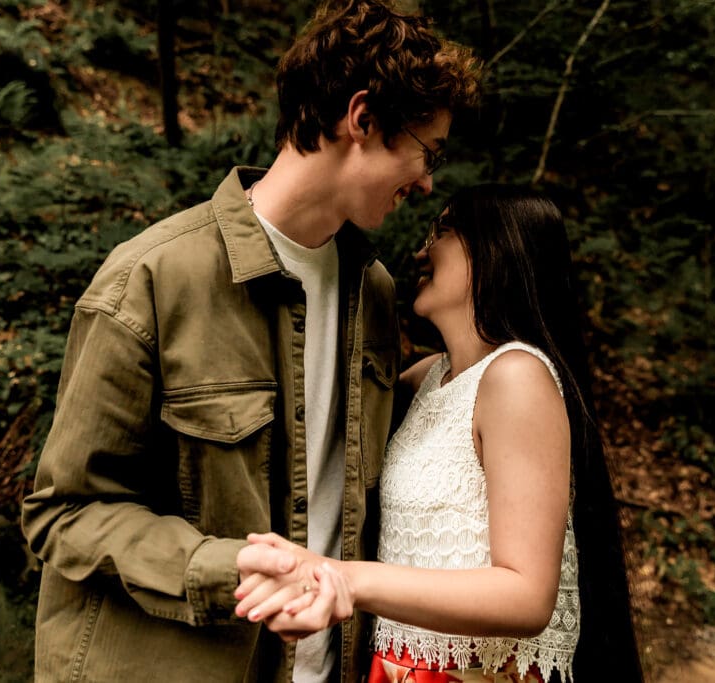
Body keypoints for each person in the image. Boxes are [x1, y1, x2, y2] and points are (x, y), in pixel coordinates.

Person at [20, 1, 480, 680]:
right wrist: (220, 563)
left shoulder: (377, 295)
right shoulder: (151, 279)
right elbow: (64, 512)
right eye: (426, 151)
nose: (427, 180)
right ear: (363, 119)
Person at [235, 185, 644, 682]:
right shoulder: (430, 377)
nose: (420, 250)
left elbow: (526, 593)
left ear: (498, 250)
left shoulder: (517, 377)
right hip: (398, 669)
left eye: (443, 232)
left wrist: (344, 579)